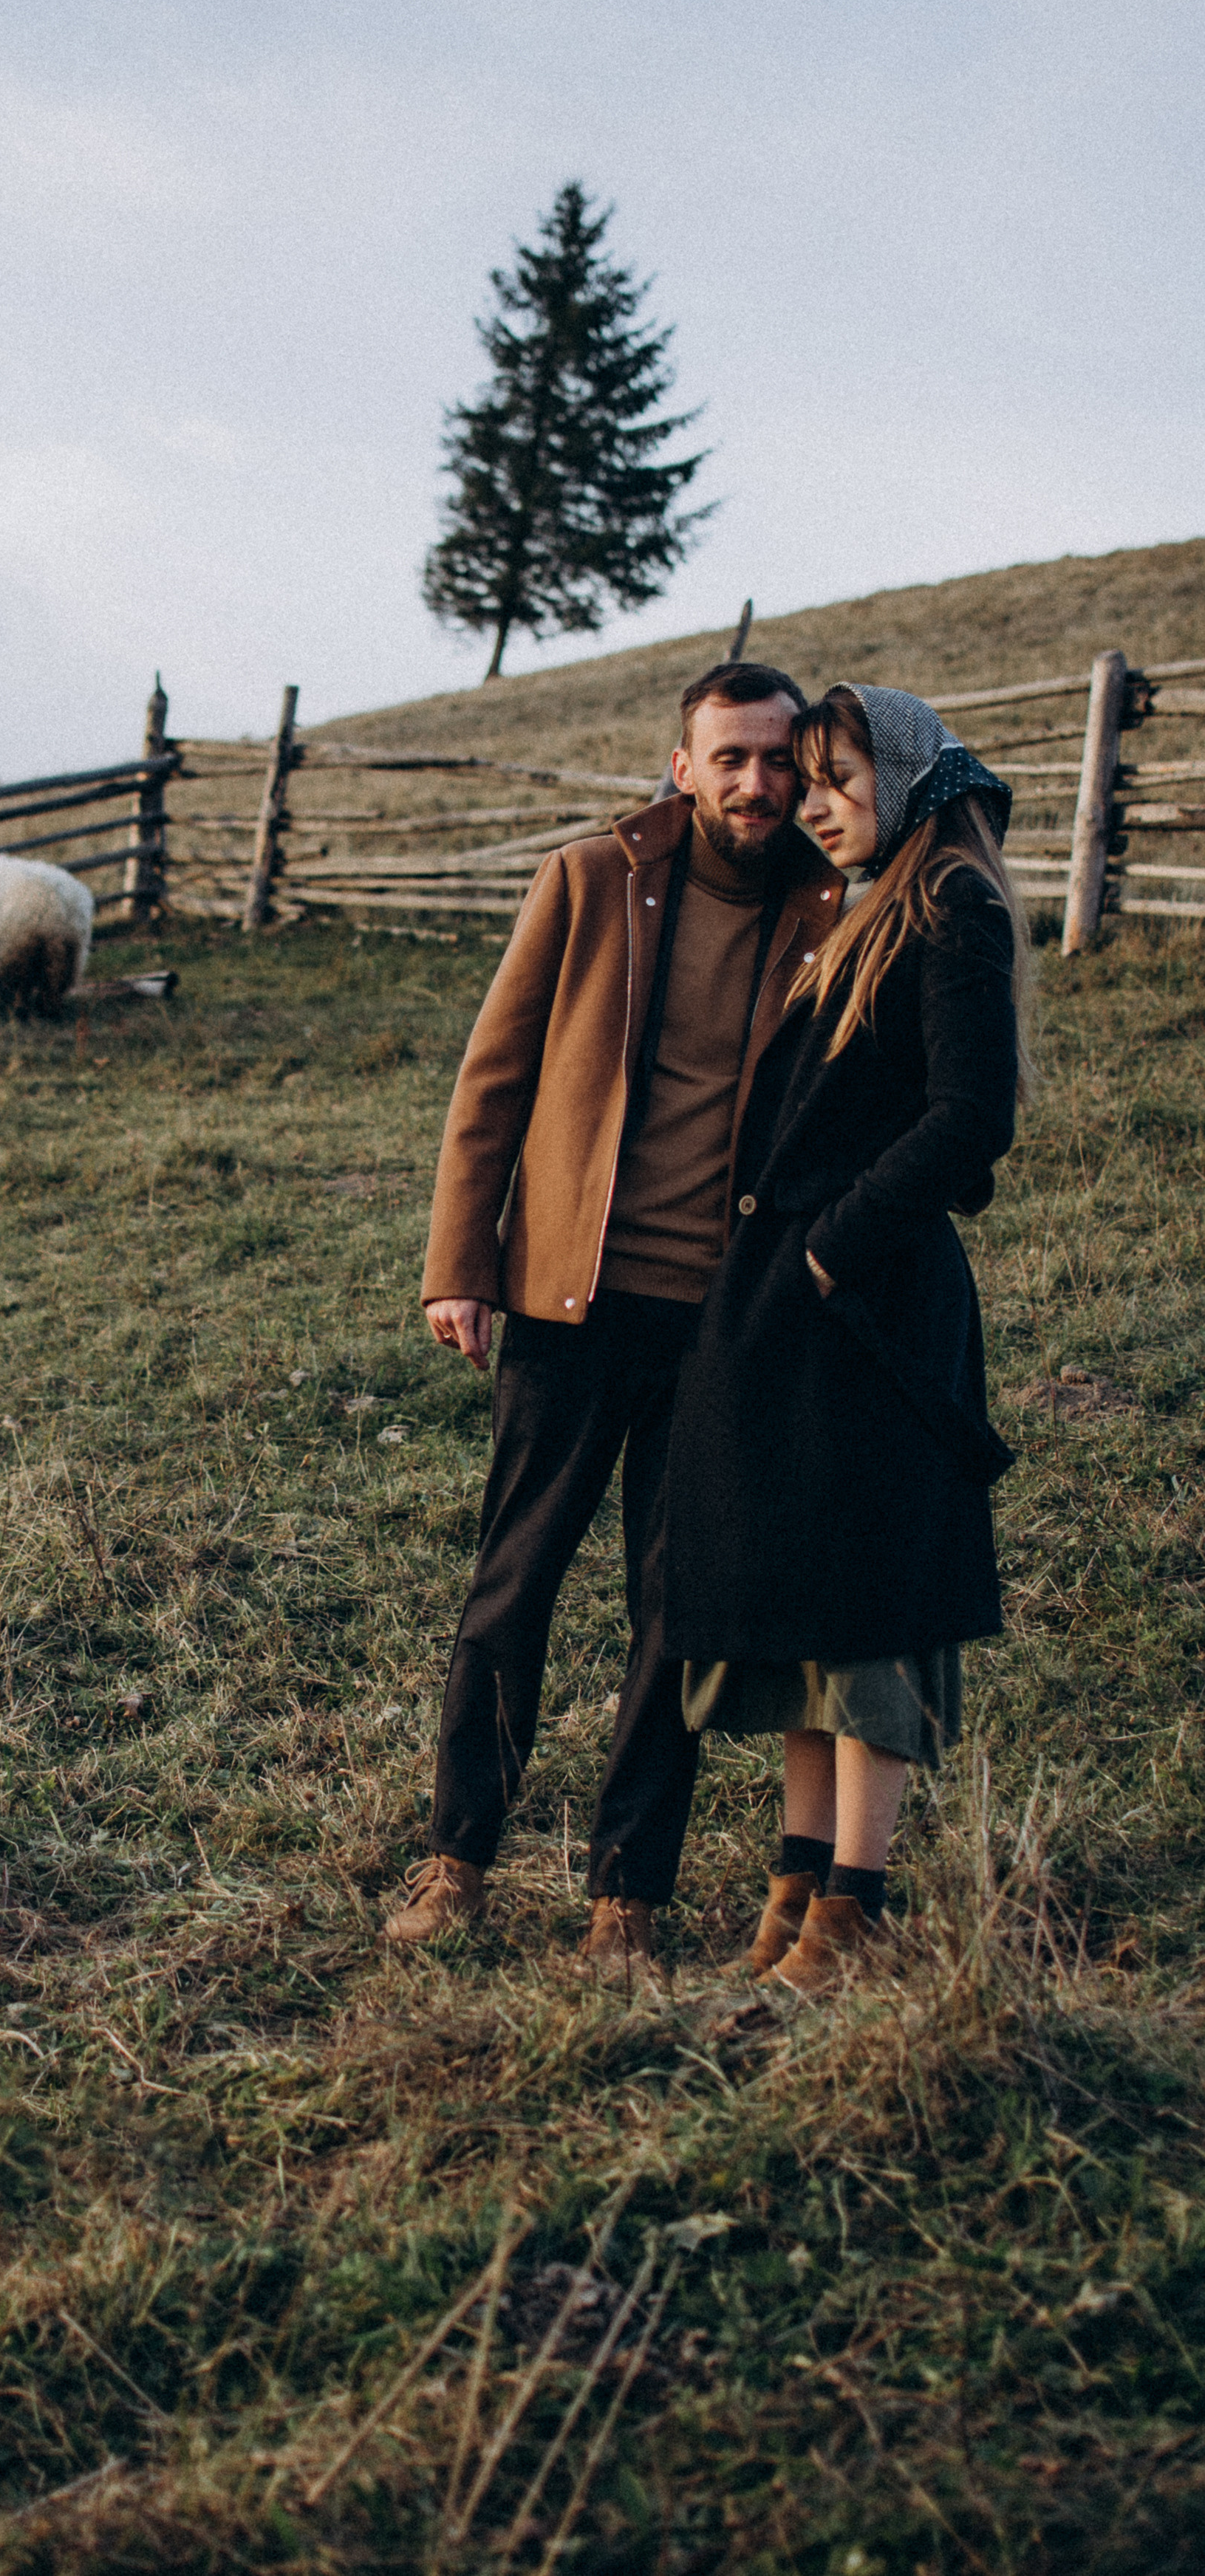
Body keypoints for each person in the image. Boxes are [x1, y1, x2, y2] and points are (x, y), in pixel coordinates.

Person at [393, 660, 844, 1973]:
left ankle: (626, 1895)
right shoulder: (592, 881)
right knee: (513, 1582)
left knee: (676, 1607)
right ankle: (457, 1854)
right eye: (731, 758)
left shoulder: (828, 913)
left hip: (721, 1322)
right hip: (566, 1298)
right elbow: (495, 1077)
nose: (756, 784)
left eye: (778, 760)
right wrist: (455, 1265)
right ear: (681, 764)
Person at [644, 682, 1030, 1993]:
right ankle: (796, 1881)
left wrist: (830, 1245)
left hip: (868, 1305)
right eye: (801, 782)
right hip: (798, 1302)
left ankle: (854, 1909)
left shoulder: (948, 907)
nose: (809, 806)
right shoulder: (861, 913)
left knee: (867, 1608)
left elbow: (969, 1117)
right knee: (799, 1594)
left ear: (906, 780)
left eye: (835, 781)